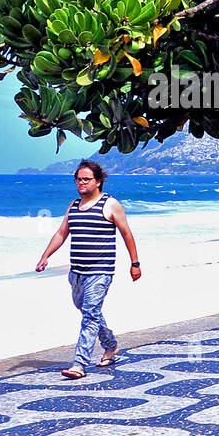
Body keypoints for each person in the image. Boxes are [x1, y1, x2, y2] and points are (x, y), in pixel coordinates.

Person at [35, 160, 142, 378]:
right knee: (86, 310)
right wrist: (45, 256)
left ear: (98, 181)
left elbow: (126, 234)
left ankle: (79, 364)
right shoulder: (73, 205)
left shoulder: (110, 204)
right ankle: (110, 345)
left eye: (86, 179)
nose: (81, 183)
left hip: (100, 271)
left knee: (90, 315)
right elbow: (61, 233)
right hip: (77, 272)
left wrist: (135, 263)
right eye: (78, 179)